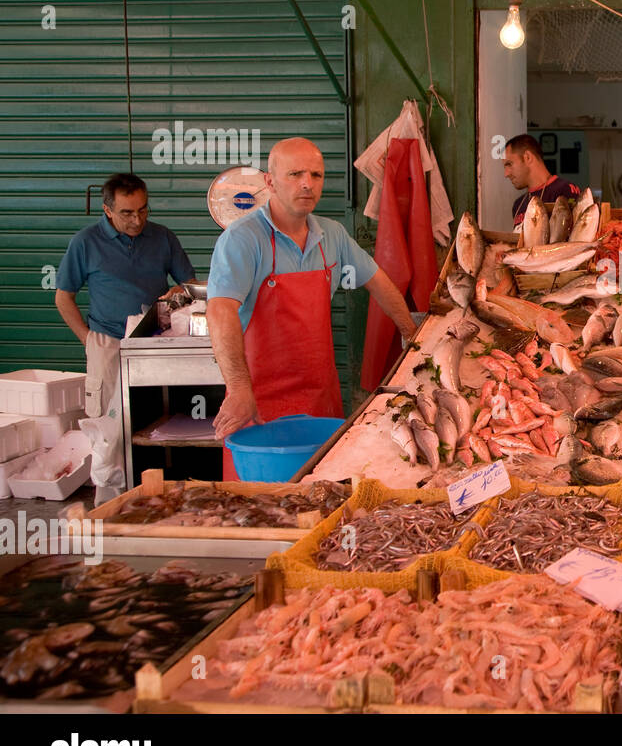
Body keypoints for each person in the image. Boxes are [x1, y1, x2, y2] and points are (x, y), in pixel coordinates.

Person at [207, 138, 417, 474]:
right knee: (263, 509)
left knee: (323, 501)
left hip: (320, 400)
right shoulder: (243, 239)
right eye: (295, 174)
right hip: (259, 405)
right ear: (270, 182)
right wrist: (239, 389)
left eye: (316, 175)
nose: (307, 183)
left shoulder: (331, 235)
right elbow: (220, 311)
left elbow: (379, 282)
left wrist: (412, 336)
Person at [55, 173, 197, 505]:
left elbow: (189, 283)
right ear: (107, 210)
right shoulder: (85, 243)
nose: (137, 220)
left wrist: (181, 291)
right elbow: (63, 298)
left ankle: (161, 495)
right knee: (107, 428)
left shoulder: (162, 238)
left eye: (143, 210)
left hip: (154, 340)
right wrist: (88, 340)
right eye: (127, 213)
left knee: (159, 421)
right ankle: (110, 503)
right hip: (107, 342)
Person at [504, 134, 581, 230]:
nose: (506, 174)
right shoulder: (518, 205)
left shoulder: (565, 190)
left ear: (527, 157)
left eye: (509, 164)